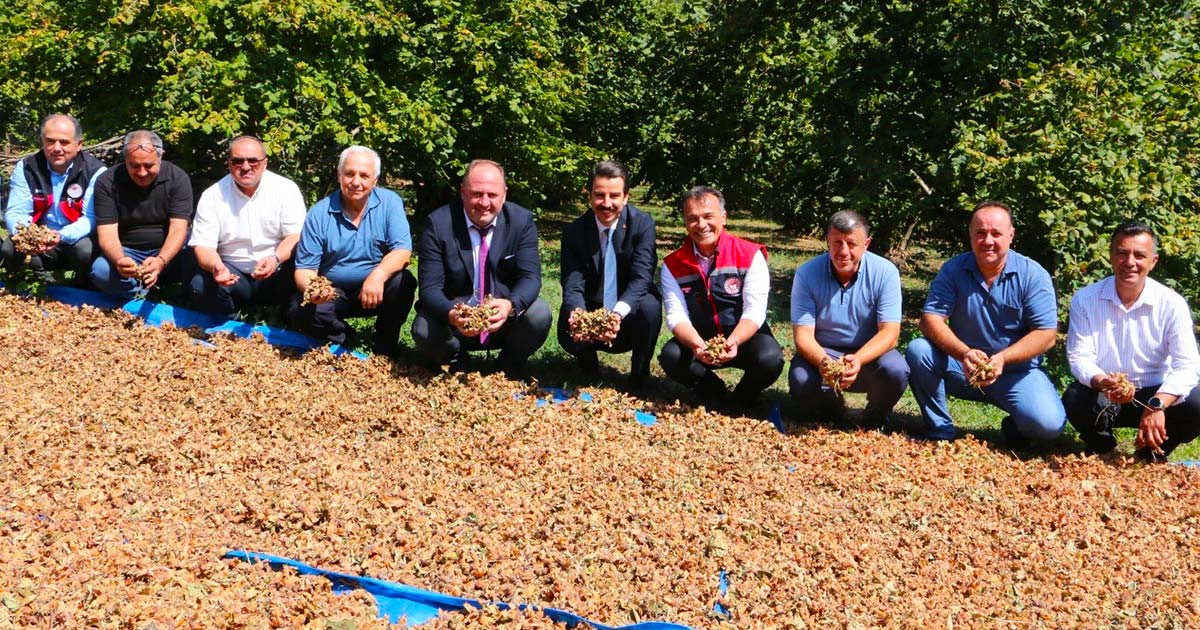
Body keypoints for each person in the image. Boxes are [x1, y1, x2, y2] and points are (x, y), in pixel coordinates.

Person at [905, 200, 1065, 446]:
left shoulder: (1032, 275)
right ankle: (940, 429)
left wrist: (1002, 359)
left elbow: (1046, 335)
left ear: (1011, 236)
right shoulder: (954, 270)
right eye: (980, 233)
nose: (988, 240)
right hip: (963, 367)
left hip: (1017, 372)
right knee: (919, 350)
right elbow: (930, 319)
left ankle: (1017, 426)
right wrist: (964, 353)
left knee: (1049, 425)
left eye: (996, 233)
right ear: (971, 235)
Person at [1063, 222, 1200, 460]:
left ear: (1153, 261)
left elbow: (1188, 367)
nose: (1130, 262)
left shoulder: (1172, 304)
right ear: (1111, 256)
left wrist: (1158, 404)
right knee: (1075, 399)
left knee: (1197, 404)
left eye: (1139, 255)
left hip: (1156, 392)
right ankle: (1102, 446)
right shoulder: (1085, 299)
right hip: (1107, 392)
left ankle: (1153, 451)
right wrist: (1104, 382)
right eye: (1122, 253)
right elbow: (1079, 357)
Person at [412, 159, 551, 378]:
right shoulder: (438, 224)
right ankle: (457, 363)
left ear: (504, 194)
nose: (484, 202)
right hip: (455, 321)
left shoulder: (521, 221)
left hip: (502, 318)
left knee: (539, 314)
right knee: (423, 329)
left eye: (492, 195)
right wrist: (452, 314)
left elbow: (530, 278)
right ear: (463, 191)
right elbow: (429, 288)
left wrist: (509, 305)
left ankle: (508, 366)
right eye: (477, 194)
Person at [658, 185, 783, 409]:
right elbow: (676, 316)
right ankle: (714, 392)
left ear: (723, 218)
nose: (701, 225)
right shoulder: (672, 264)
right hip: (701, 338)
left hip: (744, 337)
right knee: (671, 356)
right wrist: (697, 345)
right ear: (685, 223)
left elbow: (755, 311)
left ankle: (742, 397)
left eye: (708, 216)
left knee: (770, 359)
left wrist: (733, 341)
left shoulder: (749, 254)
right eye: (693, 218)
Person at [288, 145, 416, 356]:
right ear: (339, 176)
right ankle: (342, 338)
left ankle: (385, 344)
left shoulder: (390, 203)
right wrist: (315, 289)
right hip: (333, 292)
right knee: (298, 307)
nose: (356, 182)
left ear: (375, 180)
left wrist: (377, 276)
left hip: (375, 290)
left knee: (404, 282)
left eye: (364, 176)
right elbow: (304, 269)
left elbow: (402, 251)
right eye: (349, 174)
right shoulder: (319, 213)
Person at [789, 211, 908, 429]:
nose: (843, 251)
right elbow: (803, 336)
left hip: (869, 354)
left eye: (851, 244)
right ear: (827, 240)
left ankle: (875, 417)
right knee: (800, 379)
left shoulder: (885, 273)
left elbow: (890, 334)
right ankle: (832, 410)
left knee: (896, 369)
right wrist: (824, 362)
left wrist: (859, 359)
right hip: (824, 350)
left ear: (867, 244)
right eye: (837, 242)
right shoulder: (807, 274)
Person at [558, 160, 661, 391]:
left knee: (650, 307)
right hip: (592, 312)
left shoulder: (642, 224)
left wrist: (616, 315)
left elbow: (642, 277)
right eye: (599, 195)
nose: (606, 204)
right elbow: (572, 283)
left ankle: (639, 375)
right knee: (568, 313)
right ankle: (589, 369)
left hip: (628, 314)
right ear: (589, 196)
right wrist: (579, 317)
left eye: (614, 196)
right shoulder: (574, 232)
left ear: (626, 197)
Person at [187, 136, 306, 316]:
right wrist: (216, 266)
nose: (245, 167)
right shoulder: (212, 196)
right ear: (228, 163)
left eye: (253, 161)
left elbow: (296, 235)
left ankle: (285, 316)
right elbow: (203, 247)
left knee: (304, 278)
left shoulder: (285, 189)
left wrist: (275, 259)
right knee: (200, 285)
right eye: (237, 161)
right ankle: (226, 324)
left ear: (265, 163)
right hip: (233, 274)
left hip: (278, 271)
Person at [2, 114, 107, 284]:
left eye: (64, 142)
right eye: (50, 141)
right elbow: (16, 211)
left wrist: (61, 235)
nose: (57, 148)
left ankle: (83, 287)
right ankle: (21, 286)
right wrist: (29, 235)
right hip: (40, 240)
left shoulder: (96, 171)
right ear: (42, 142)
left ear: (79, 144)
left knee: (85, 250)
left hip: (76, 239)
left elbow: (91, 219)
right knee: (9, 247)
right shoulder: (26, 167)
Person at [90, 130, 195, 296]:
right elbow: (107, 233)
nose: (142, 172)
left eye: (148, 165)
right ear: (125, 159)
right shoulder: (107, 182)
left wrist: (161, 260)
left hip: (168, 250)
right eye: (134, 165)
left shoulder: (178, 178)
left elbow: (178, 228)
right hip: (128, 250)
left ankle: (173, 292)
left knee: (196, 255)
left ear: (161, 157)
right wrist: (120, 260)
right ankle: (137, 291)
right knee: (100, 271)